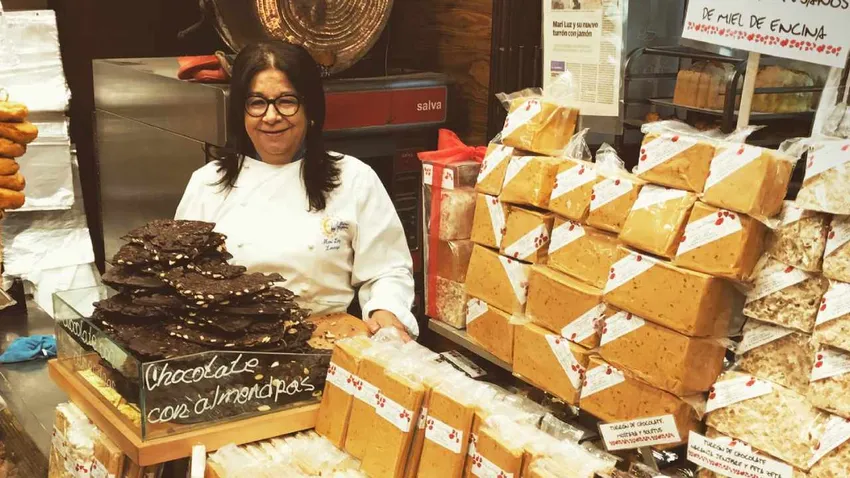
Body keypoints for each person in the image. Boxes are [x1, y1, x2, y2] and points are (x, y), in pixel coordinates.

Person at [175, 41, 417, 341]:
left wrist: (385, 311)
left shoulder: (355, 179)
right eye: (257, 102)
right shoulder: (207, 184)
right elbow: (181, 278)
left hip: (328, 341)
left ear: (310, 108)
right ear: (241, 112)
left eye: (286, 101)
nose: (271, 116)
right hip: (231, 347)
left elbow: (387, 270)